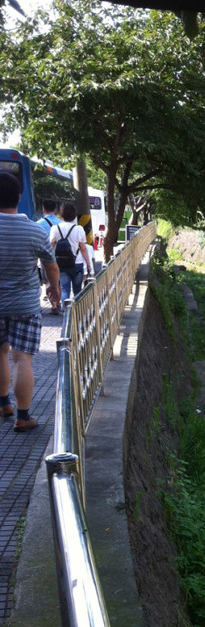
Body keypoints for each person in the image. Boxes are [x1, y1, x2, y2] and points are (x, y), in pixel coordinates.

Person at [0, 170, 60, 432]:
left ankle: (4, 404)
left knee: (0, 353)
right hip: (25, 305)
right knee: (21, 358)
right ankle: (23, 416)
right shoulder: (35, 230)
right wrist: (53, 288)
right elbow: (51, 265)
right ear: (19, 197)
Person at [49, 201, 94, 311]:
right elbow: (83, 249)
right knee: (77, 290)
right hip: (77, 264)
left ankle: (66, 315)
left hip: (61, 265)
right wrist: (89, 265)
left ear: (61, 214)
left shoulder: (55, 228)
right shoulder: (79, 229)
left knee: (64, 289)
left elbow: (50, 247)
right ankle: (76, 314)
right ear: (74, 215)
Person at [37, 198, 62, 312]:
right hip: (60, 256)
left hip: (45, 257)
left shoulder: (38, 224)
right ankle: (59, 301)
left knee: (48, 281)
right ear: (55, 209)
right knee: (58, 280)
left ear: (43, 209)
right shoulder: (61, 223)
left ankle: (54, 305)